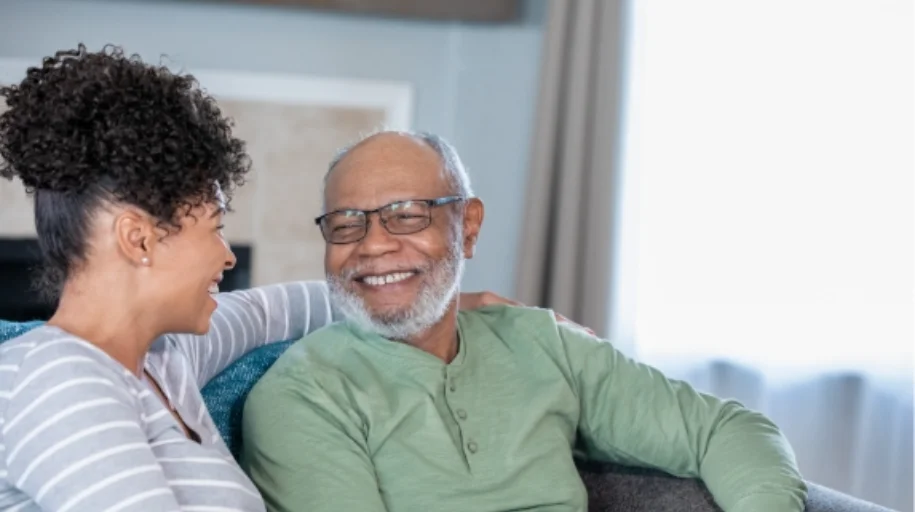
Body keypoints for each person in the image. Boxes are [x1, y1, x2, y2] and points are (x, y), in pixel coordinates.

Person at [0, 45, 515, 511]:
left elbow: (285, 308)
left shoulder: (164, 361)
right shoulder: (60, 379)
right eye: (216, 228)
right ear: (139, 239)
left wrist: (429, 297)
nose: (226, 257)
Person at [241, 131, 809, 512]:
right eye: (346, 224)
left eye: (406, 216)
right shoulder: (302, 396)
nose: (374, 245)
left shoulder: (544, 344)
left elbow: (726, 430)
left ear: (468, 227)